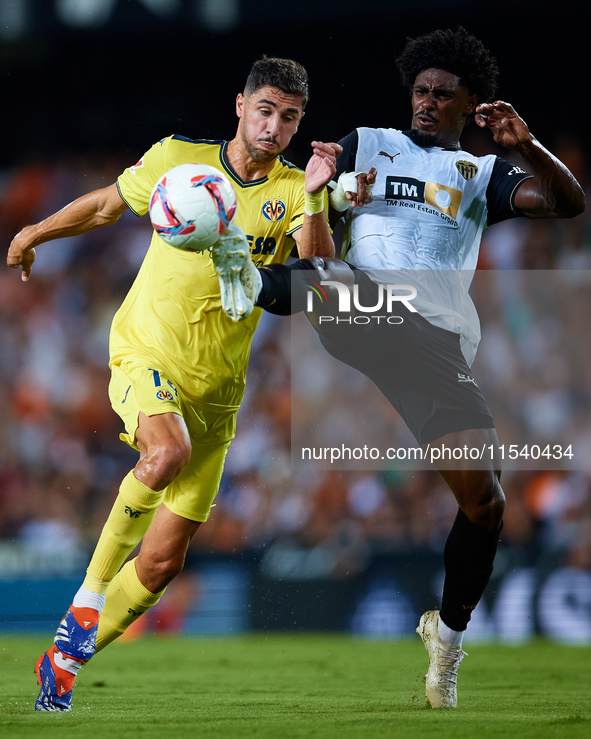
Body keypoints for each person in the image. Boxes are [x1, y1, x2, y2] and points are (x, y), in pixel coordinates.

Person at [212, 28, 585, 708]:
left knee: (485, 502)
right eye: (419, 90)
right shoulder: (367, 143)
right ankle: (251, 283)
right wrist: (318, 195)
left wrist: (524, 144)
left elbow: (567, 204)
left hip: (437, 345)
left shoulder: (482, 174)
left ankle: (444, 637)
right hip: (364, 311)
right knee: (328, 275)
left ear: (471, 103)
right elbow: (320, 248)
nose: (426, 102)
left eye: (443, 94)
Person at [7, 56, 339, 712]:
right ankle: (86, 599)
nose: (275, 126)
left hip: (217, 392)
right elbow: (107, 203)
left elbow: (319, 280)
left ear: (299, 124)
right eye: (265, 110)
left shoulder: (300, 188)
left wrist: (319, 195)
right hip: (145, 354)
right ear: (239, 106)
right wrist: (37, 230)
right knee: (165, 453)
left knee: (160, 566)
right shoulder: (177, 160)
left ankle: (66, 658)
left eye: (290, 117)